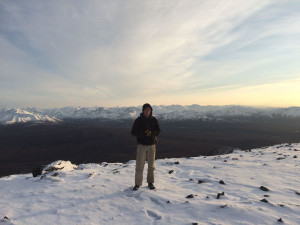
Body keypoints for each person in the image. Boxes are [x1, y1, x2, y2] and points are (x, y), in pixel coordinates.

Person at [131, 103, 161, 190]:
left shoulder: (154, 120)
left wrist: (152, 133)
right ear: (143, 110)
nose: (147, 111)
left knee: (151, 165)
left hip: (152, 145)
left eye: (149, 110)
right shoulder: (138, 120)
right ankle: (137, 184)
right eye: (146, 110)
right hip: (142, 145)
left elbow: (158, 131)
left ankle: (150, 183)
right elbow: (133, 132)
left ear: (151, 111)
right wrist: (142, 134)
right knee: (139, 165)